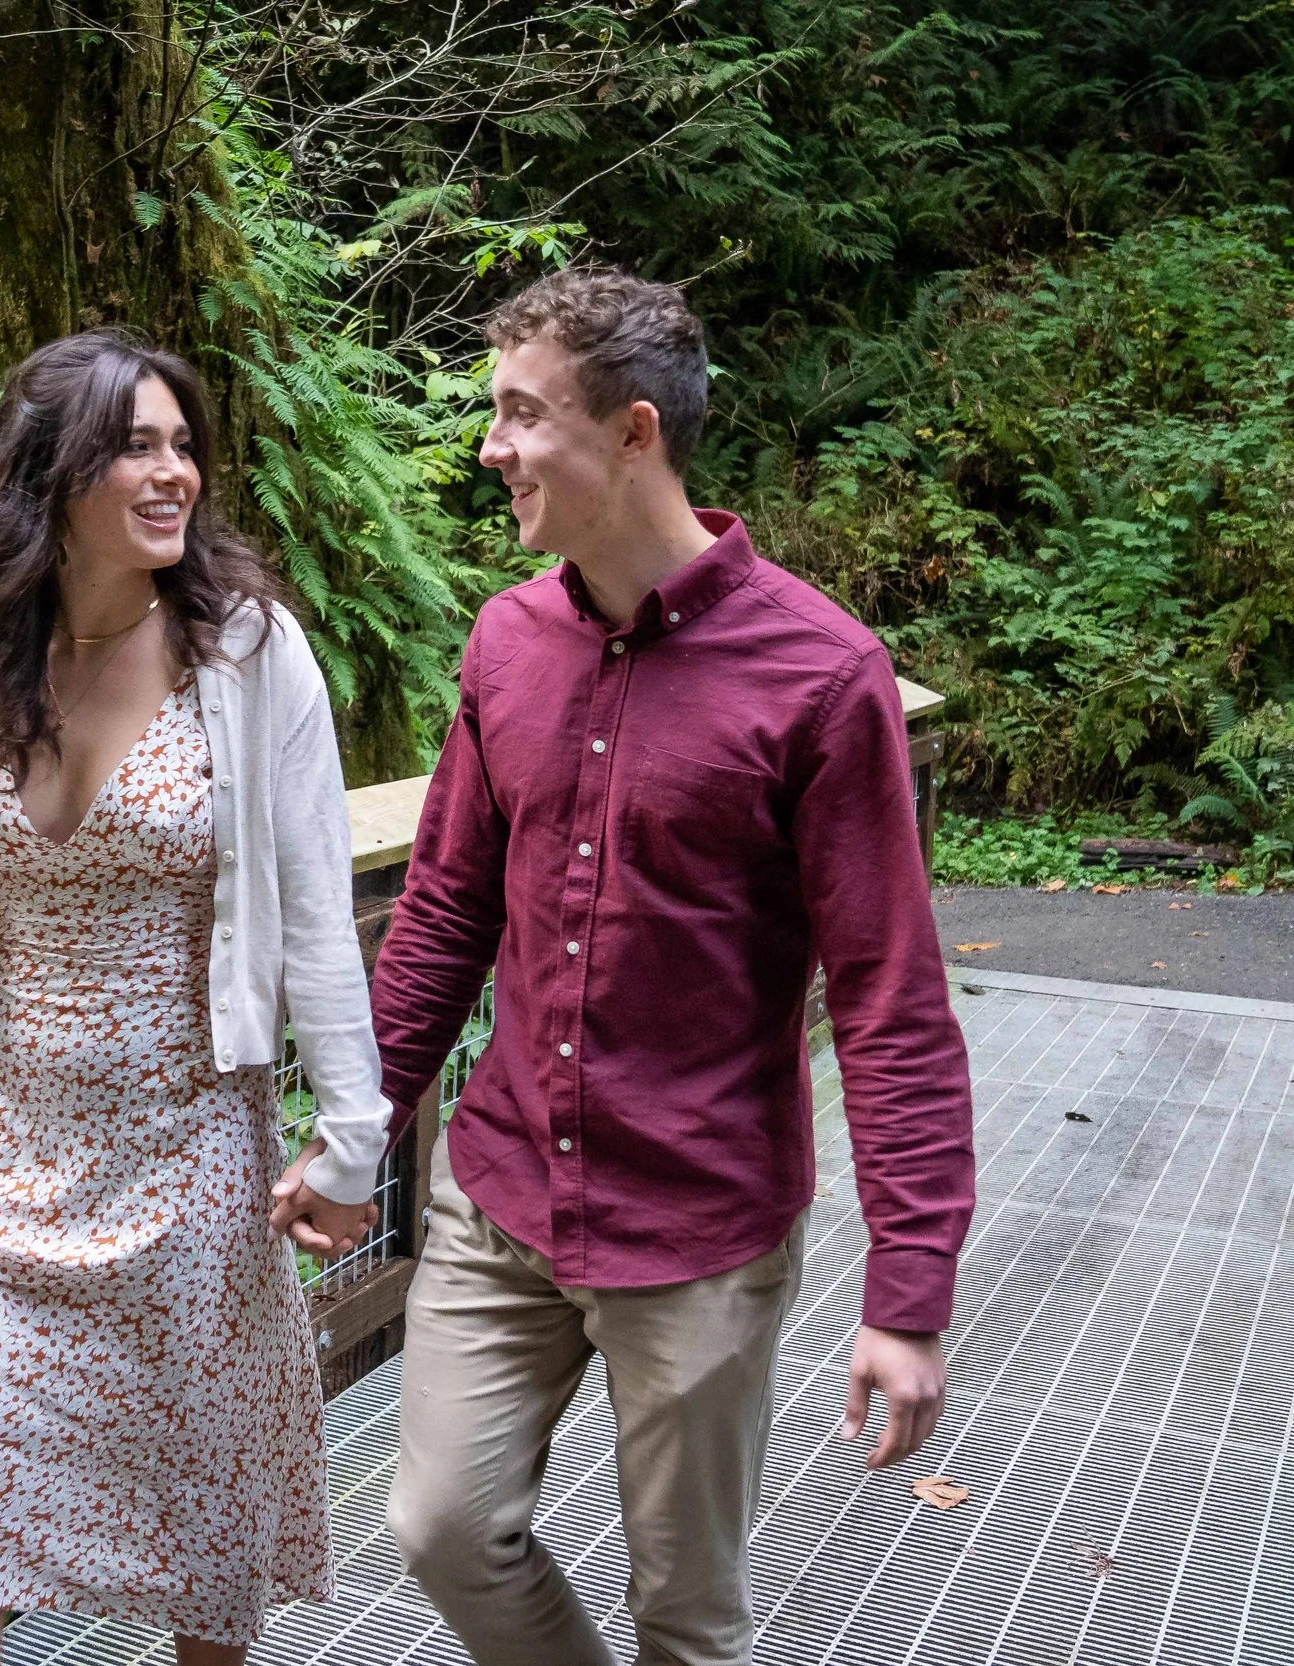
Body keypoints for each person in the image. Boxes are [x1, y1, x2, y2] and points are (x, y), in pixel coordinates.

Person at [279, 268, 978, 1665]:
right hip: (506, 1190)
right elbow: (441, 918)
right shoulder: (506, 642)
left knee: (688, 1615)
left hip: (700, 1229)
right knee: (439, 1524)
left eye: (521, 414)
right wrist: (353, 1136)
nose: (491, 446)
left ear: (636, 433)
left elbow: (892, 999)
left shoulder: (823, 676)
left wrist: (909, 1290)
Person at [0, 327, 393, 1666]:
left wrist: (352, 1139)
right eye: (137, 443)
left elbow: (316, 914)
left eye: (183, 443)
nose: (173, 469)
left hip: (189, 1153)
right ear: (52, 474)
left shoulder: (248, 654)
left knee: (203, 1526)